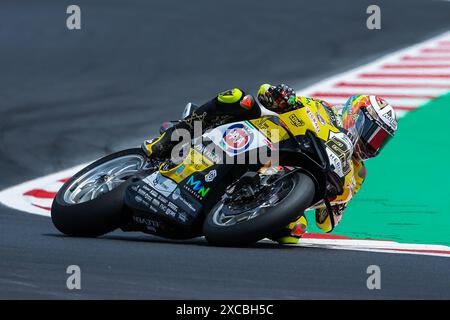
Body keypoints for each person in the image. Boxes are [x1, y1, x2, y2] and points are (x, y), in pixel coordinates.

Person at [142, 84, 398, 244]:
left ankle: (239, 212)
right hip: (265, 141)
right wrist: (282, 95)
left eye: (379, 141)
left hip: (282, 188)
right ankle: (165, 142)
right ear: (355, 115)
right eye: (371, 132)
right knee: (238, 98)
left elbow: (326, 223)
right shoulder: (324, 110)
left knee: (293, 232)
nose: (371, 142)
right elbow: (268, 95)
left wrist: (337, 204)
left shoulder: (357, 174)